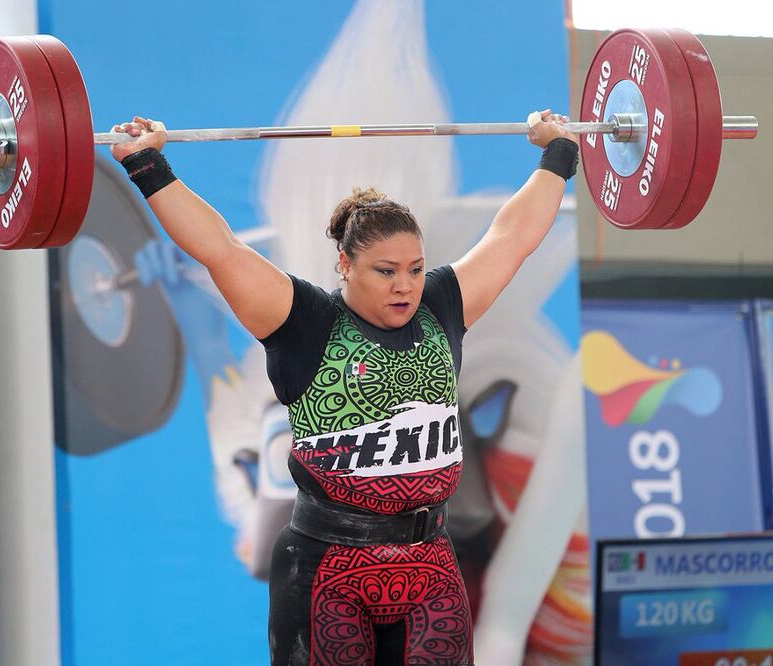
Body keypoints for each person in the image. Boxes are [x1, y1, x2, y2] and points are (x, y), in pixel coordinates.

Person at [110, 110, 578, 666]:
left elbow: (512, 236)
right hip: (329, 567)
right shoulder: (301, 319)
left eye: (415, 268)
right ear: (345, 264)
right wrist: (146, 163)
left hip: (428, 564)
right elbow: (220, 249)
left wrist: (558, 153)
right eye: (385, 271)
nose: (405, 285)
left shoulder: (442, 305)